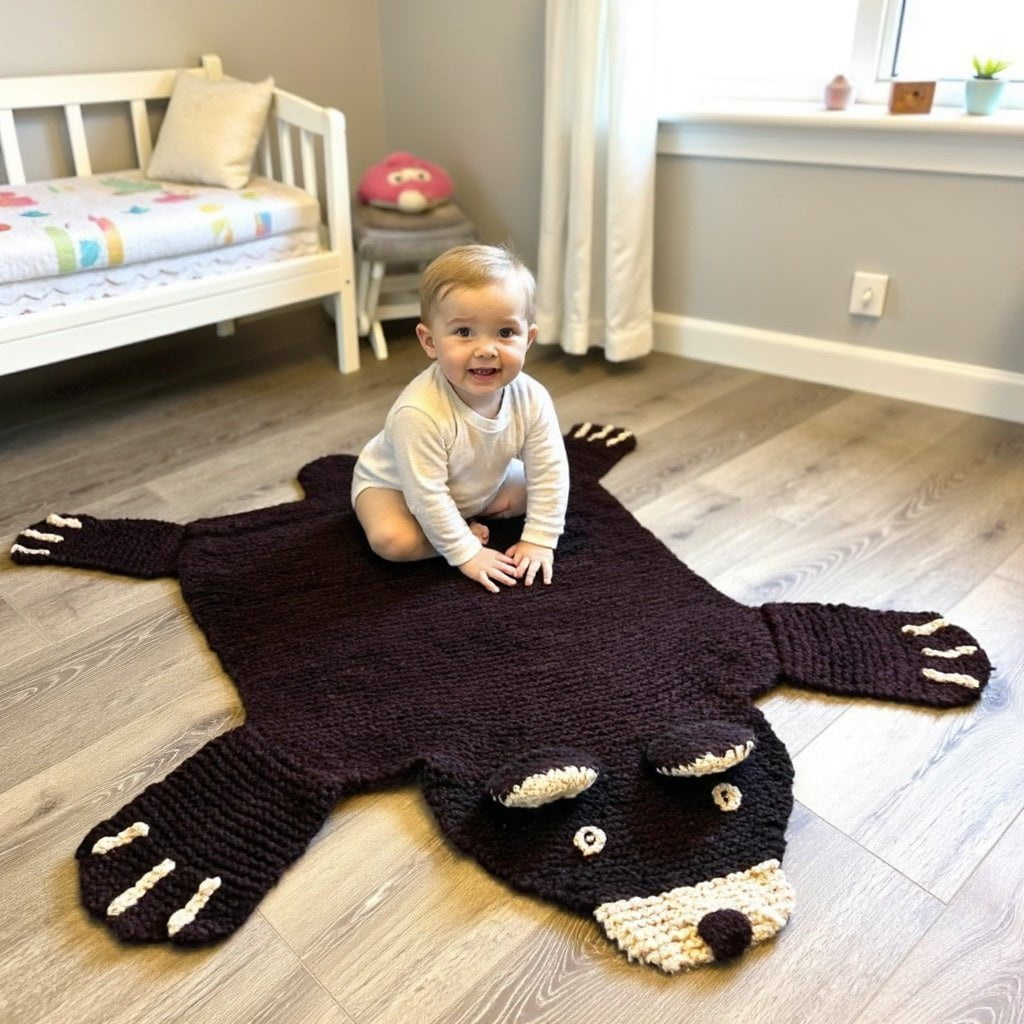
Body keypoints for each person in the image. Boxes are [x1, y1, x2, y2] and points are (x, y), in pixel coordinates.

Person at [352, 243, 569, 593]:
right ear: (430, 342)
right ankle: (450, 538)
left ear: (528, 339)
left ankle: (457, 523)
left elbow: (550, 470)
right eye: (464, 332)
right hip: (397, 489)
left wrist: (539, 539)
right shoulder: (419, 413)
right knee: (392, 541)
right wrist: (467, 553)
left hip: (475, 485)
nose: (486, 349)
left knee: (544, 489)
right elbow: (426, 496)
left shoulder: (533, 398)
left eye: (505, 333)